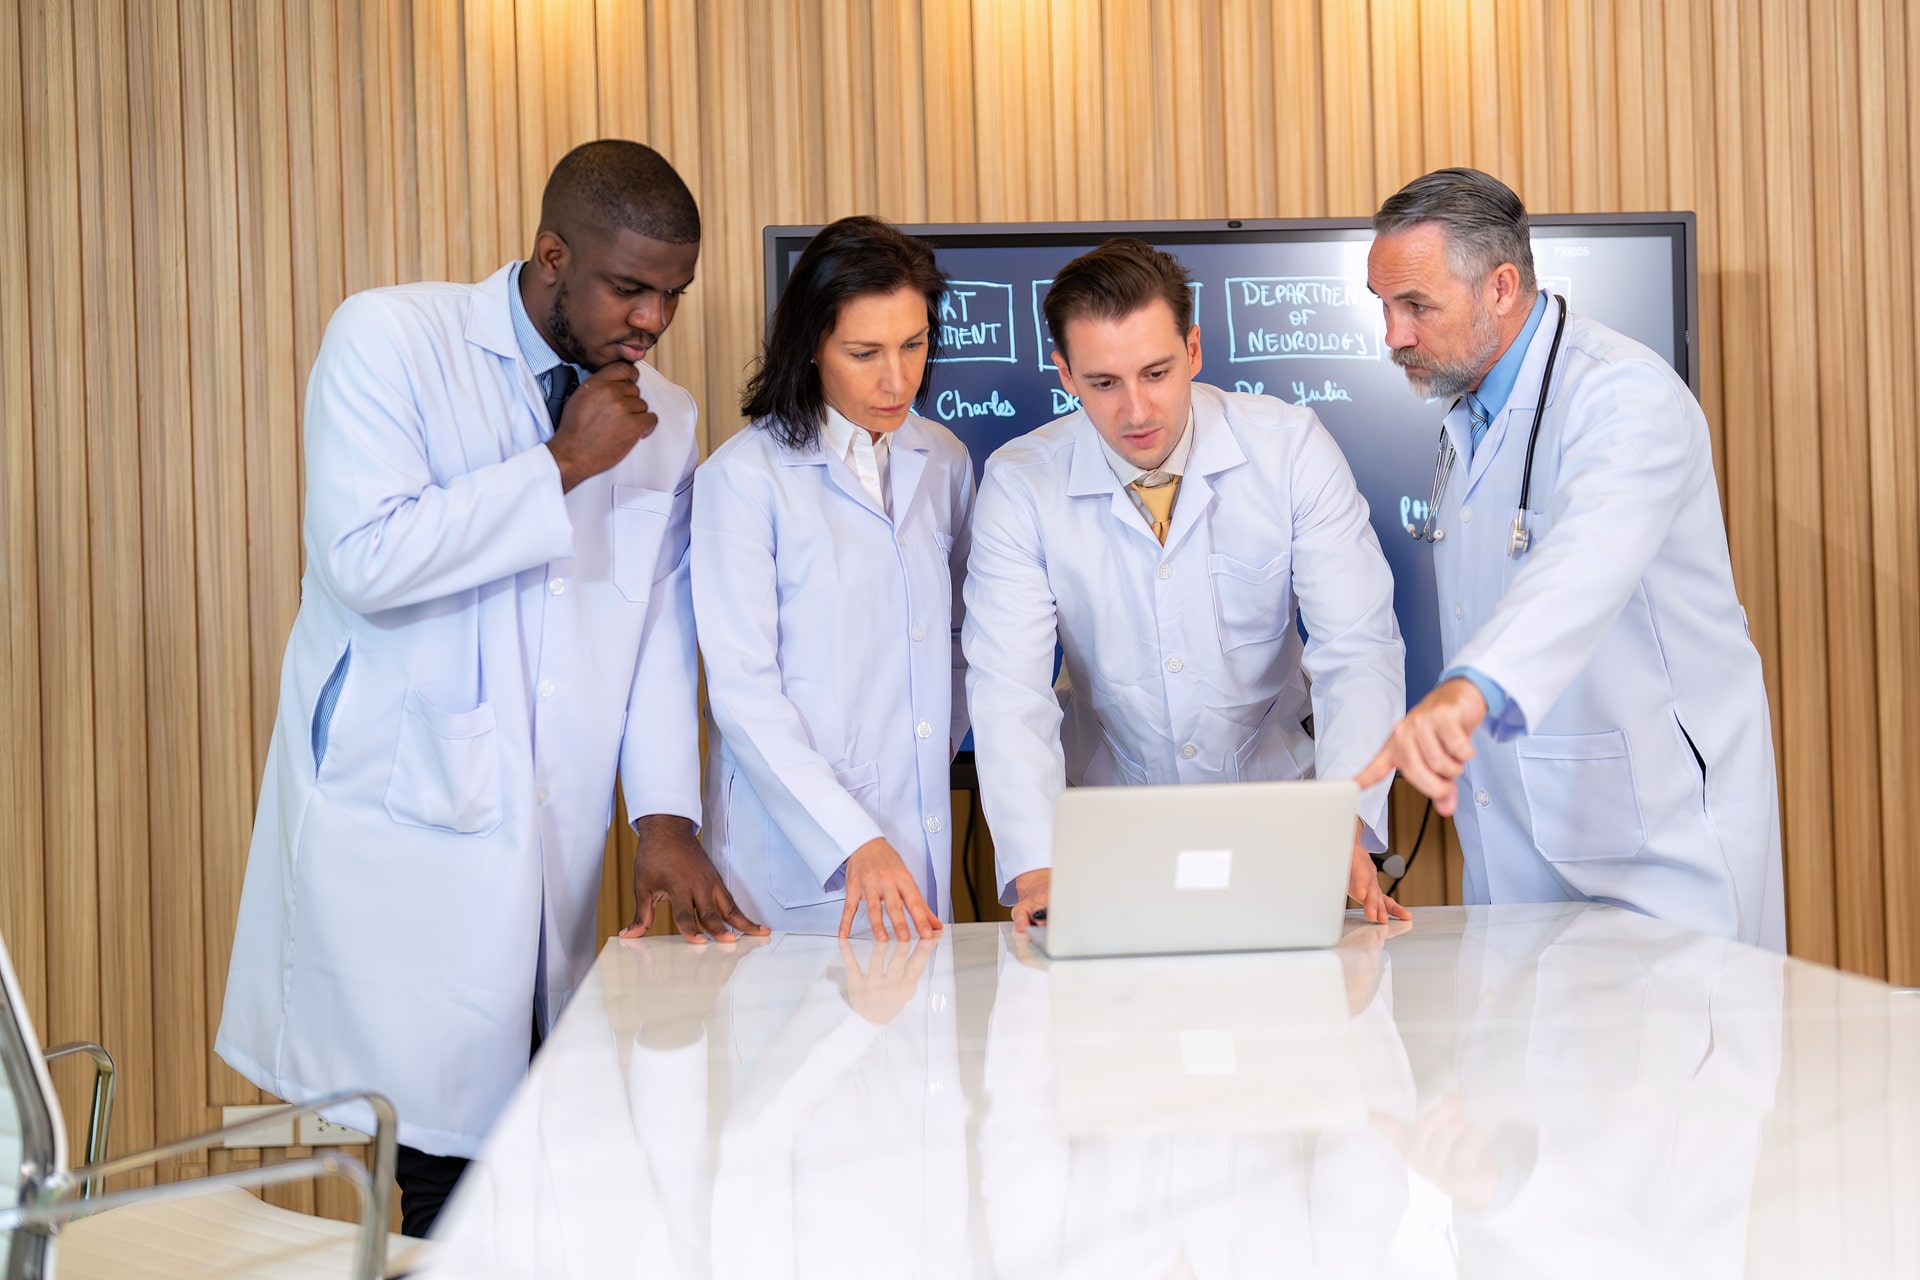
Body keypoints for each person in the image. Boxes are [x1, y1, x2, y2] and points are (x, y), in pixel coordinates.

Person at [215, 139, 764, 1237]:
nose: (653, 320)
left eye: (673, 294)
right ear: (554, 255)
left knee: (515, 1139)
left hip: (541, 836)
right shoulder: (391, 339)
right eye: (630, 288)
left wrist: (664, 814)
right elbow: (362, 558)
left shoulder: (671, 416)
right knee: (417, 1158)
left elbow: (657, 624)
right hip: (405, 822)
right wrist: (561, 464)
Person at [1355, 167, 1785, 950]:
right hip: (1521, 837)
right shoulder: (1469, 410)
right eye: (1383, 306)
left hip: (1656, 847)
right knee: (1528, 1066)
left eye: (1416, 305)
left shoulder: (1623, 397)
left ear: (1501, 287)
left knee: (1669, 1066)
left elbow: (1583, 562)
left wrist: (1469, 689)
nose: (1394, 336)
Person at [963, 237, 1409, 930]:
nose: (1137, 411)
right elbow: (1008, 688)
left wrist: (1345, 823)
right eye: (1103, 383)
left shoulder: (1290, 449)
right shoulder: (1022, 484)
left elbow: (1357, 648)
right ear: (1066, 375)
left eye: (1157, 372)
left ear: (1194, 351)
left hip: (1280, 821)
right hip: (1108, 832)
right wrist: (1037, 862)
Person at [692, 216, 973, 938]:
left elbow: (961, 637)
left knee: (924, 1042)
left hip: (916, 829)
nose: (897, 377)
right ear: (812, 346)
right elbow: (745, 694)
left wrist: (934, 740)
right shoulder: (743, 481)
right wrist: (851, 838)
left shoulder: (942, 459)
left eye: (914, 345)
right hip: (797, 856)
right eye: (864, 352)